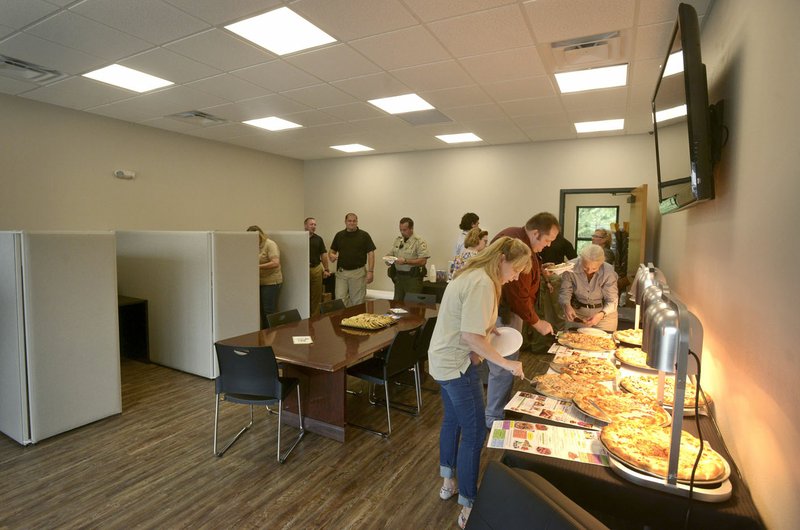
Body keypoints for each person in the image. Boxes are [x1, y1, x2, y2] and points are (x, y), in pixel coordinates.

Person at [427, 236, 529, 529]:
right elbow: (469, 337)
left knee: (453, 422)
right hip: (457, 365)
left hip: (441, 361)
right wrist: (506, 362)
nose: (516, 276)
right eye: (517, 269)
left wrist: (491, 329)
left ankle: (448, 481)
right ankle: (469, 503)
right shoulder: (484, 282)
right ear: (502, 260)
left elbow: (469, 321)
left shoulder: (473, 273)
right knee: (473, 433)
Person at [484, 212, 559, 428]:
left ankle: (501, 410)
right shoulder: (516, 243)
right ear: (535, 233)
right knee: (502, 367)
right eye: (546, 240)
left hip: (506, 312)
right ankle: (494, 418)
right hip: (504, 314)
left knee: (506, 366)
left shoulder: (519, 238)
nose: (547, 246)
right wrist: (537, 322)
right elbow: (518, 296)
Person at [559, 243, 619, 332]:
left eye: (594, 269)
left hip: (604, 315)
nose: (589, 271)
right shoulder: (570, 267)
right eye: (585, 267)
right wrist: (567, 305)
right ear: (580, 260)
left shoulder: (608, 271)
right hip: (577, 313)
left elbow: (612, 301)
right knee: (573, 341)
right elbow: (565, 291)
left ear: (601, 263)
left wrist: (601, 314)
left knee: (603, 343)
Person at [328, 213, 376, 307]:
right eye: (349, 221)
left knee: (357, 301)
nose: (352, 223)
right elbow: (332, 251)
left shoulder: (364, 235)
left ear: (357, 222)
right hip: (341, 273)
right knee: (340, 300)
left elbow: (371, 254)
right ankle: (342, 320)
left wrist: (370, 271)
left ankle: (357, 321)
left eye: (354, 221)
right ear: (345, 222)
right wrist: (331, 255)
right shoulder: (339, 235)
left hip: (358, 273)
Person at [537, 232, 578, 332]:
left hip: (540, 277)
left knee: (543, 312)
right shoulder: (564, 242)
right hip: (555, 278)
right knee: (558, 312)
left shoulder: (540, 241)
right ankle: (557, 334)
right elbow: (574, 260)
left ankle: (546, 337)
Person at [384, 217, 430, 301]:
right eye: (400, 230)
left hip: (412, 279)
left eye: (404, 230)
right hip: (399, 278)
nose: (402, 232)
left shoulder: (419, 241)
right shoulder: (398, 240)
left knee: (412, 306)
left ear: (411, 229)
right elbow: (391, 253)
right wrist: (388, 259)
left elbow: (423, 261)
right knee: (397, 305)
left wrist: (406, 261)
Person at [247, 225, 282, 328]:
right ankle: (264, 335)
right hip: (258, 282)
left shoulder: (270, 244)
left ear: (260, 235)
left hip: (271, 282)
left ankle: (271, 336)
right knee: (261, 311)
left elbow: (275, 263)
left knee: (268, 311)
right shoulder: (252, 246)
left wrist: (257, 266)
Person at [305, 217, 331, 315]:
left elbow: (323, 254)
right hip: (303, 271)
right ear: (305, 225)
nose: (314, 226)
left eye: (315, 224)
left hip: (316, 268)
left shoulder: (318, 239)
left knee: (316, 295)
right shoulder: (300, 238)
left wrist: (326, 269)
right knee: (305, 294)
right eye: (311, 224)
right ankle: (305, 316)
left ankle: (314, 318)